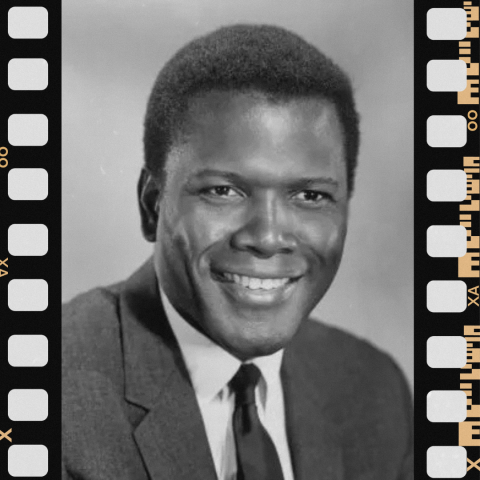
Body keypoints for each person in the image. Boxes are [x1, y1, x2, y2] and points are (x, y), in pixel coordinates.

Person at [62, 24, 413, 480]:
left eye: (310, 196)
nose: (267, 238)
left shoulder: (374, 392)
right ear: (152, 205)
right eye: (223, 191)